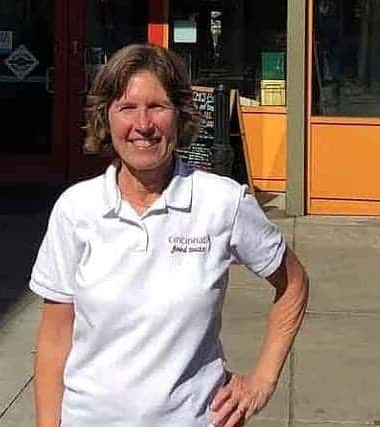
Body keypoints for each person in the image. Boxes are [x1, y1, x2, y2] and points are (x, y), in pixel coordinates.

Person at [30, 43, 309, 427]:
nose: (143, 124)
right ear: (105, 118)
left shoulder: (222, 202)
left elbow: (293, 284)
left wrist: (262, 380)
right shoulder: (76, 209)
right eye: (127, 108)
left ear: (180, 115)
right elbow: (54, 338)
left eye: (157, 106)